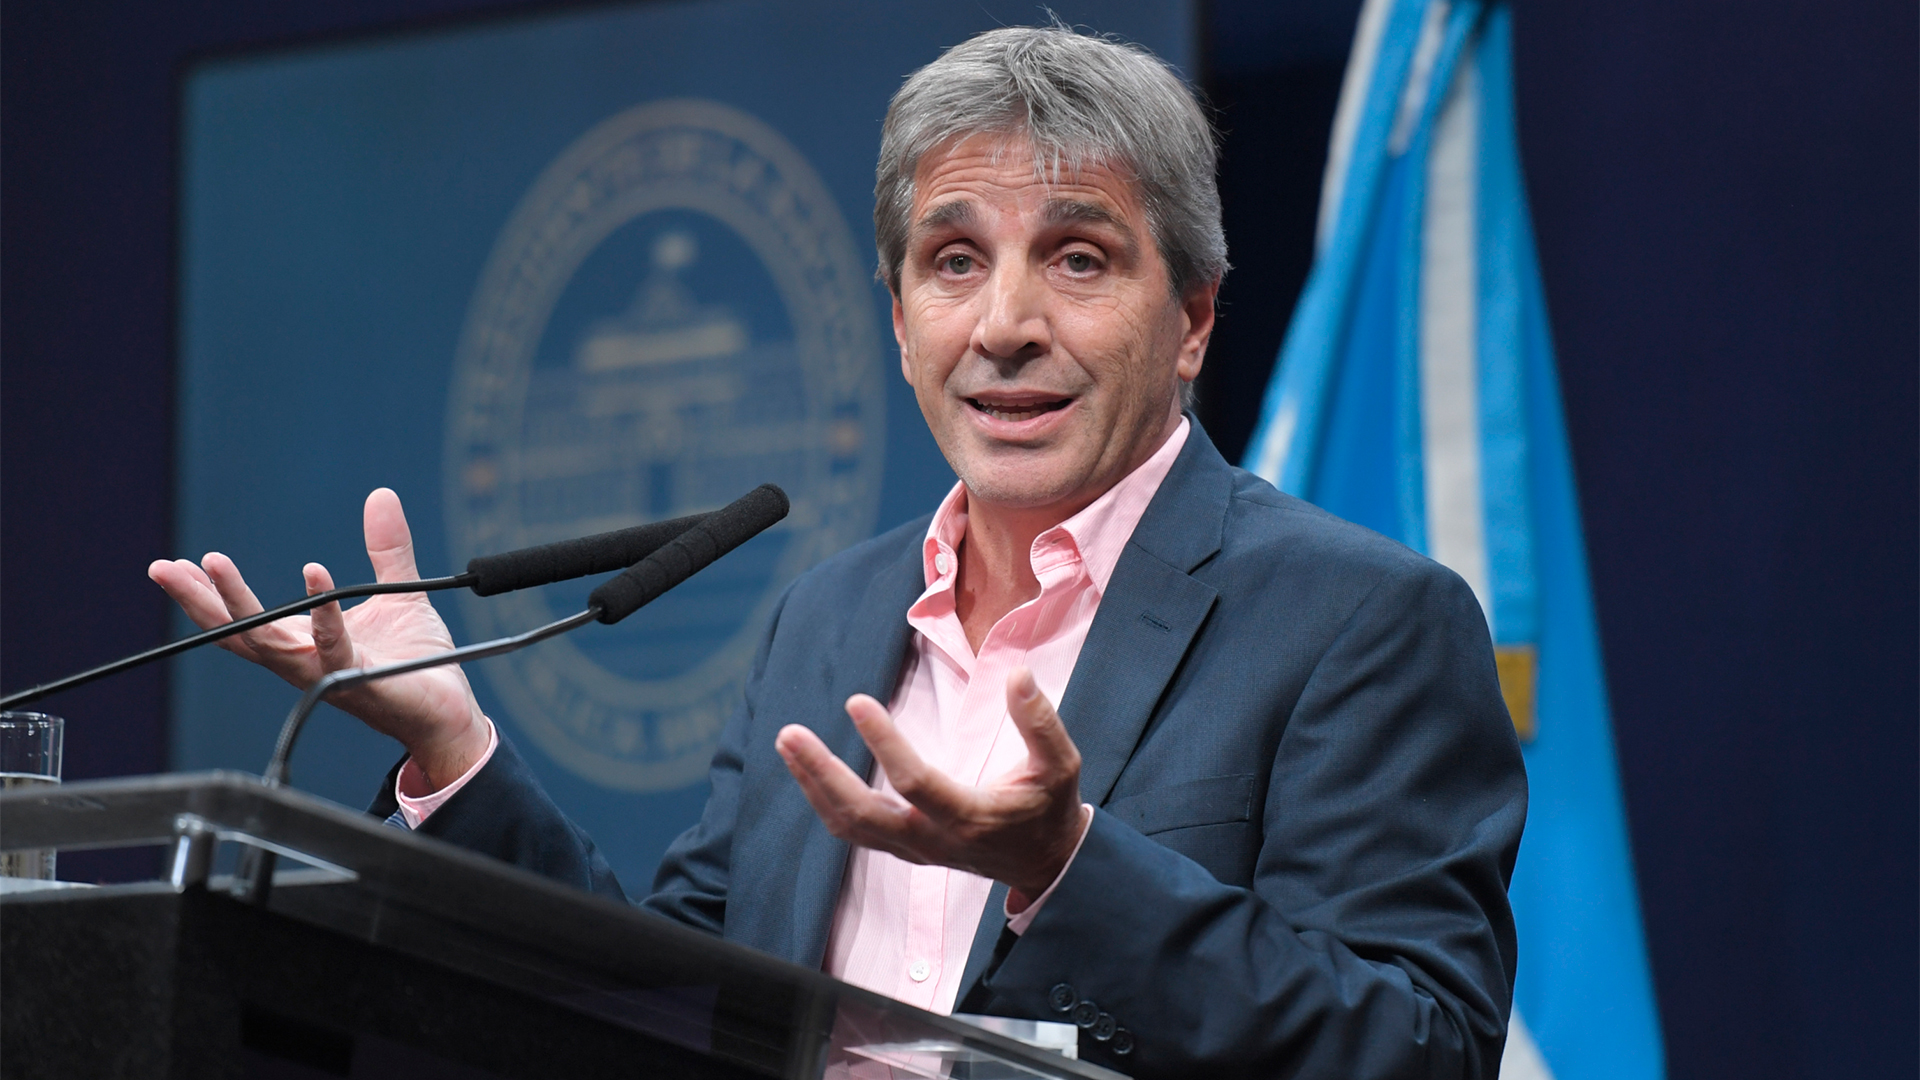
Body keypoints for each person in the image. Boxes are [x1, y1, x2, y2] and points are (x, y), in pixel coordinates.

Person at [151, 25, 1526, 1079]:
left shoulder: (1357, 618)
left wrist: (1069, 867)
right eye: (952, 261)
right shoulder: (830, 615)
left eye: (1079, 259)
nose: (1004, 325)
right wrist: (456, 752)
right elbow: (674, 997)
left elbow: (1420, 1048)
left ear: (1195, 321)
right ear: (900, 318)